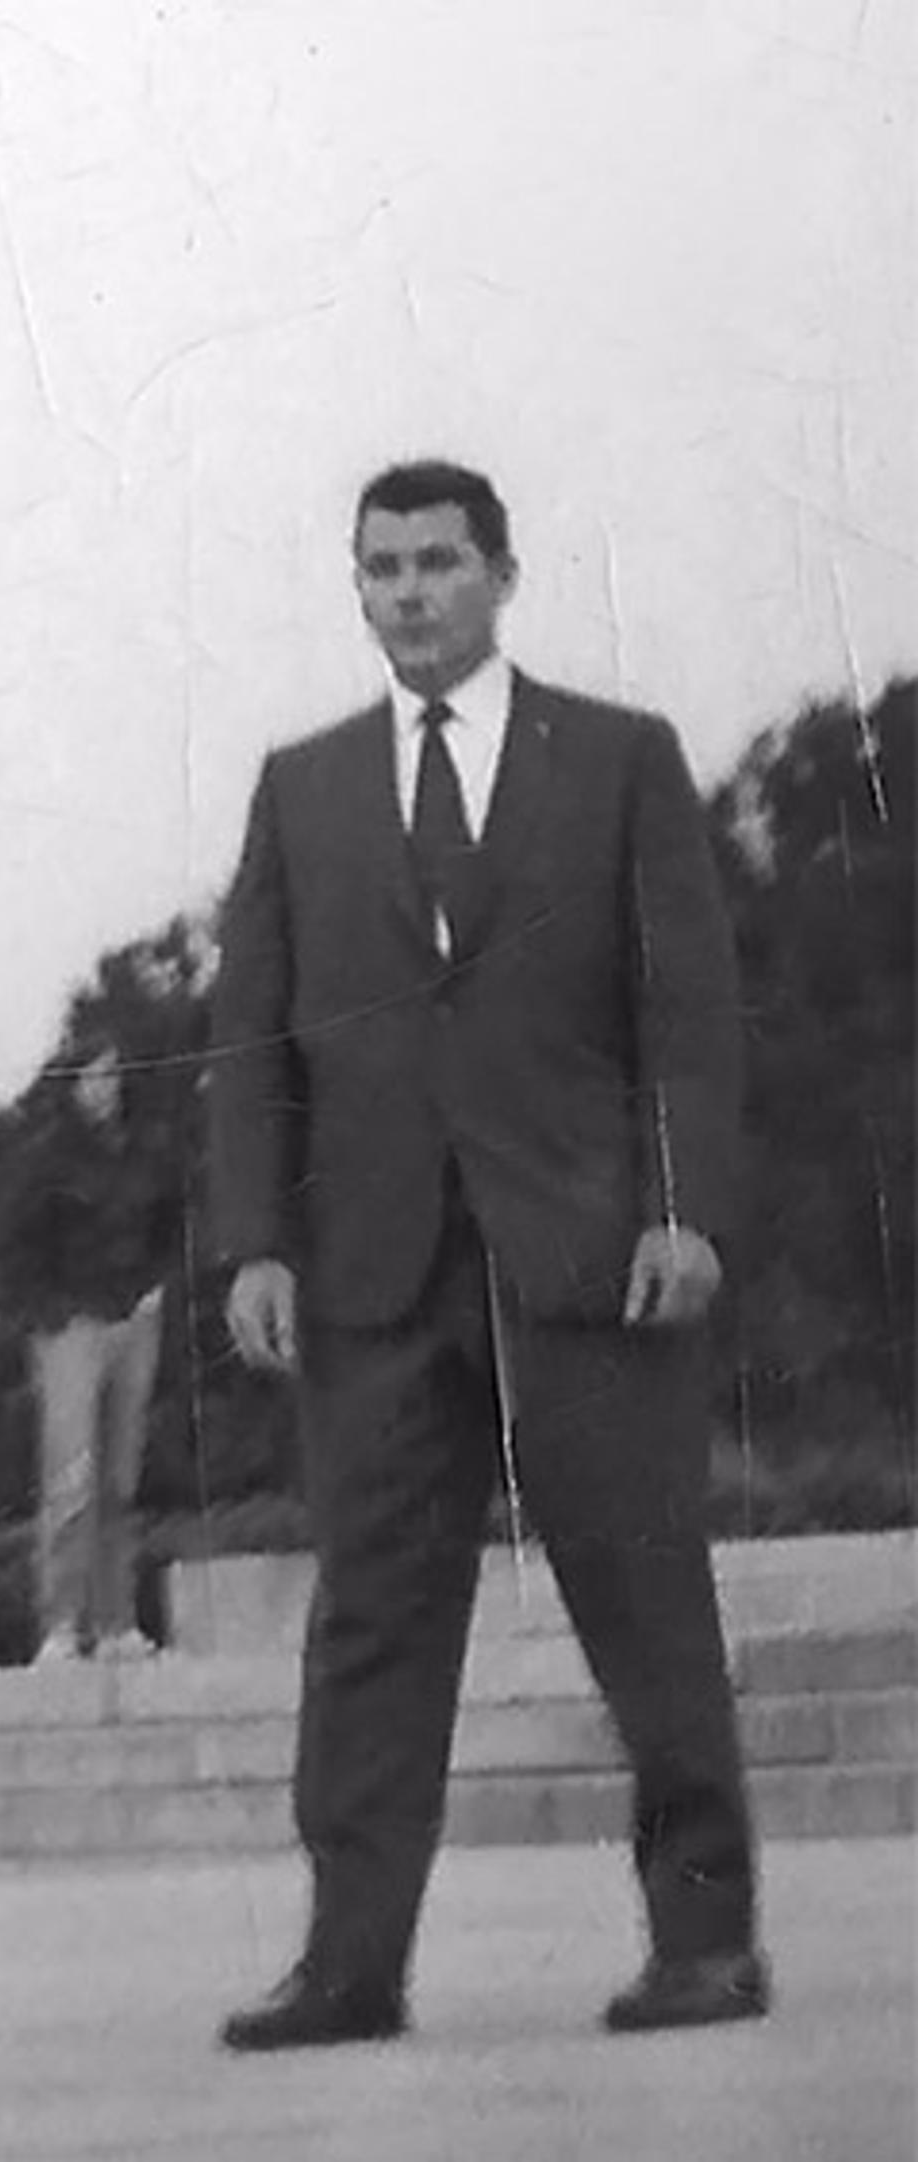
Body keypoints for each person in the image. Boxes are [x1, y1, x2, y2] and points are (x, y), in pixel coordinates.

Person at [205, 458, 766, 2049]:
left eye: (439, 563)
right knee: (374, 1617)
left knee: (643, 1593)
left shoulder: (619, 759)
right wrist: (254, 1237)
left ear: (502, 576)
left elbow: (688, 1010)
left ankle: (708, 1939)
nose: (409, 593)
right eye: (380, 567)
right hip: (374, 1268)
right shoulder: (300, 786)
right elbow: (249, 1035)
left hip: (591, 1252)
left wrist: (685, 1206)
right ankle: (347, 1960)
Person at [9, 1040, 186, 1666]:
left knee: (121, 1480)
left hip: (134, 1320)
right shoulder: (45, 1160)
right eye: (94, 1077)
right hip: (71, 1327)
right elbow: (15, 1244)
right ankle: (61, 1622)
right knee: (70, 1479)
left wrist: (156, 1288)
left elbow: (173, 1218)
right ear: (72, 1083)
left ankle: (117, 1622)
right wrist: (51, 1312)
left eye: (113, 1076)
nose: (106, 1089)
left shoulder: (143, 1151)